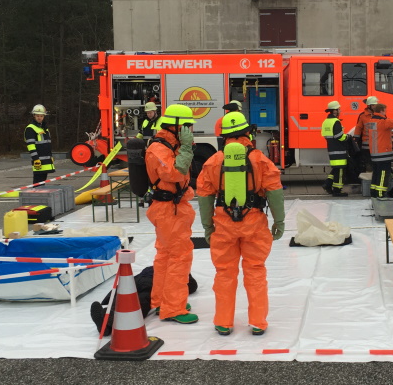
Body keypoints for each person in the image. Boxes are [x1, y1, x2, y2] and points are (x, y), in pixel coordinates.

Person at [196, 112, 285, 336]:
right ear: (248, 133)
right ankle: (257, 322)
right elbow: (274, 192)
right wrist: (279, 221)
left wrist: (207, 227)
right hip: (254, 221)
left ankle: (223, 322)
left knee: (224, 273)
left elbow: (205, 196)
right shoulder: (260, 160)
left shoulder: (213, 161)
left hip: (223, 224)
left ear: (223, 136)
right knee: (255, 271)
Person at [145, 103, 198, 324]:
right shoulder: (158, 149)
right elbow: (176, 174)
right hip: (168, 211)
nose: (189, 130)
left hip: (173, 209)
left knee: (166, 257)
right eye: (186, 126)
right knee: (178, 257)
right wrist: (186, 149)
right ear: (175, 126)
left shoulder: (169, 146)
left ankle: (161, 301)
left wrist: (184, 147)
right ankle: (173, 309)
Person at [89, 267, 198, 335]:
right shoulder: (176, 271)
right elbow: (192, 286)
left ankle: (105, 323)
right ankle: (114, 321)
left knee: (122, 296)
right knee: (143, 301)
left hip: (134, 279)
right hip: (153, 283)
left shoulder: (157, 264)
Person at [366, 103, 393, 198]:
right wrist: (385, 118)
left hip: (375, 153)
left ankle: (373, 192)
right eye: (385, 110)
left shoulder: (371, 121)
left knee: (376, 173)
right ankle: (380, 193)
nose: (386, 112)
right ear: (381, 111)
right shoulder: (383, 122)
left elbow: (379, 133)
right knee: (383, 174)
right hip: (383, 153)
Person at [321, 100, 350, 197]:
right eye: (338, 109)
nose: (339, 111)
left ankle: (328, 184)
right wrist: (347, 137)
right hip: (339, 149)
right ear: (334, 111)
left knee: (336, 169)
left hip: (331, 148)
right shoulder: (336, 122)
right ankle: (337, 190)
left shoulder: (326, 121)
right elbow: (339, 136)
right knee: (340, 170)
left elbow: (324, 135)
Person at [24, 104, 55, 185]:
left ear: (44, 116)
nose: (39, 117)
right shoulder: (30, 129)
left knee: (42, 183)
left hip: (46, 160)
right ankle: (36, 197)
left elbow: (47, 144)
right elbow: (31, 146)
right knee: (38, 183)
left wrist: (50, 156)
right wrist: (35, 159)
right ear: (34, 116)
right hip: (39, 161)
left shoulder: (44, 128)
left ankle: (40, 196)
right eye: (37, 116)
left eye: (41, 116)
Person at [351, 96, 378, 174]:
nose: (375, 106)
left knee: (376, 163)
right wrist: (355, 139)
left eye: (375, 105)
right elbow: (358, 128)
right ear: (369, 106)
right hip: (366, 145)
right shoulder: (363, 116)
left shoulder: (379, 114)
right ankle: (369, 179)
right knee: (368, 163)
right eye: (373, 105)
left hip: (377, 144)